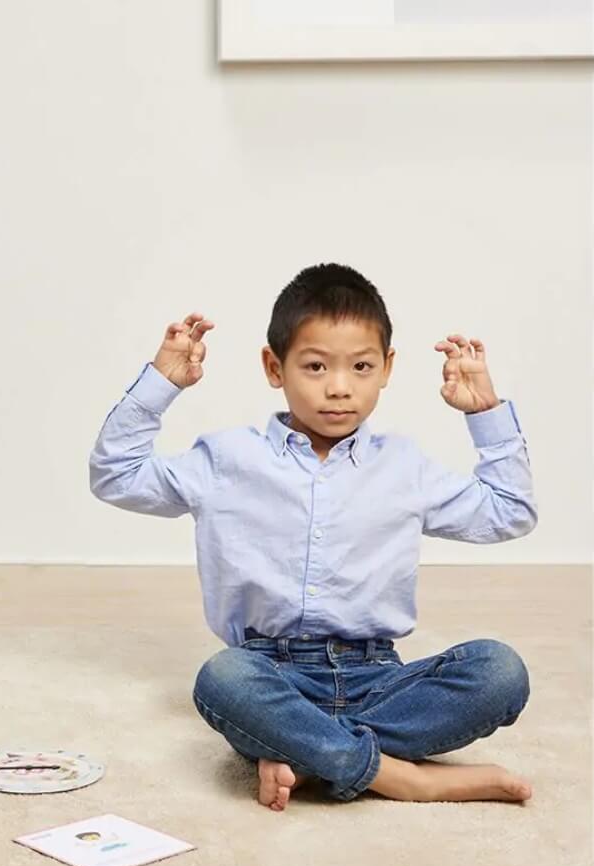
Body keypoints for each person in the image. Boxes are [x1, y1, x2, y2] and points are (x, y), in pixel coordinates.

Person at [89, 263, 535, 811]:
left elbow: (509, 512)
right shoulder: (227, 460)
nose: (340, 387)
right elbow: (116, 476)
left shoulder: (404, 467)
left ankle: (303, 755)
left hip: (379, 676)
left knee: (498, 671)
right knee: (221, 679)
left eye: (362, 366)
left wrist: (486, 415)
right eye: (316, 366)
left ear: (388, 368)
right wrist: (160, 386)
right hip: (269, 671)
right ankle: (404, 778)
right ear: (275, 367)